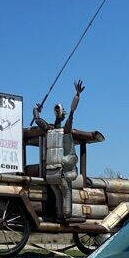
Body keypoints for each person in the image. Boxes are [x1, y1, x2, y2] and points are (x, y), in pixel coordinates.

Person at [31, 80, 85, 220]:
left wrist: (36, 108)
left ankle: (60, 214)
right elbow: (72, 113)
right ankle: (66, 215)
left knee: (57, 194)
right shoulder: (65, 131)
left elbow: (37, 119)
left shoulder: (48, 131)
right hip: (60, 171)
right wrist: (77, 95)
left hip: (50, 172)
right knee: (66, 193)